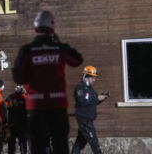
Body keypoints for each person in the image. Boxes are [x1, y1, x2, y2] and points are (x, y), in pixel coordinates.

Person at [12, 10, 83, 154]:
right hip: (57, 106)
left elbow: (18, 77)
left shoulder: (27, 51)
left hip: (36, 107)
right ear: (53, 27)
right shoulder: (60, 49)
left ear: (36, 28)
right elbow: (77, 60)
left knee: (37, 146)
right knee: (60, 145)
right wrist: (59, 43)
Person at [71, 66, 109, 154]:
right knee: (94, 141)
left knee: (80, 142)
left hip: (88, 119)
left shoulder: (89, 88)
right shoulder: (80, 87)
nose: (94, 80)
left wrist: (102, 97)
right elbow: (83, 101)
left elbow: (94, 101)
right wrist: (97, 98)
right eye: (93, 78)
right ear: (87, 77)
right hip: (84, 119)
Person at [6, 85, 29, 154]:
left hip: (12, 125)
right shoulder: (26, 98)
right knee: (22, 144)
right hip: (22, 125)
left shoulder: (11, 97)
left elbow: (4, 106)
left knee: (11, 145)